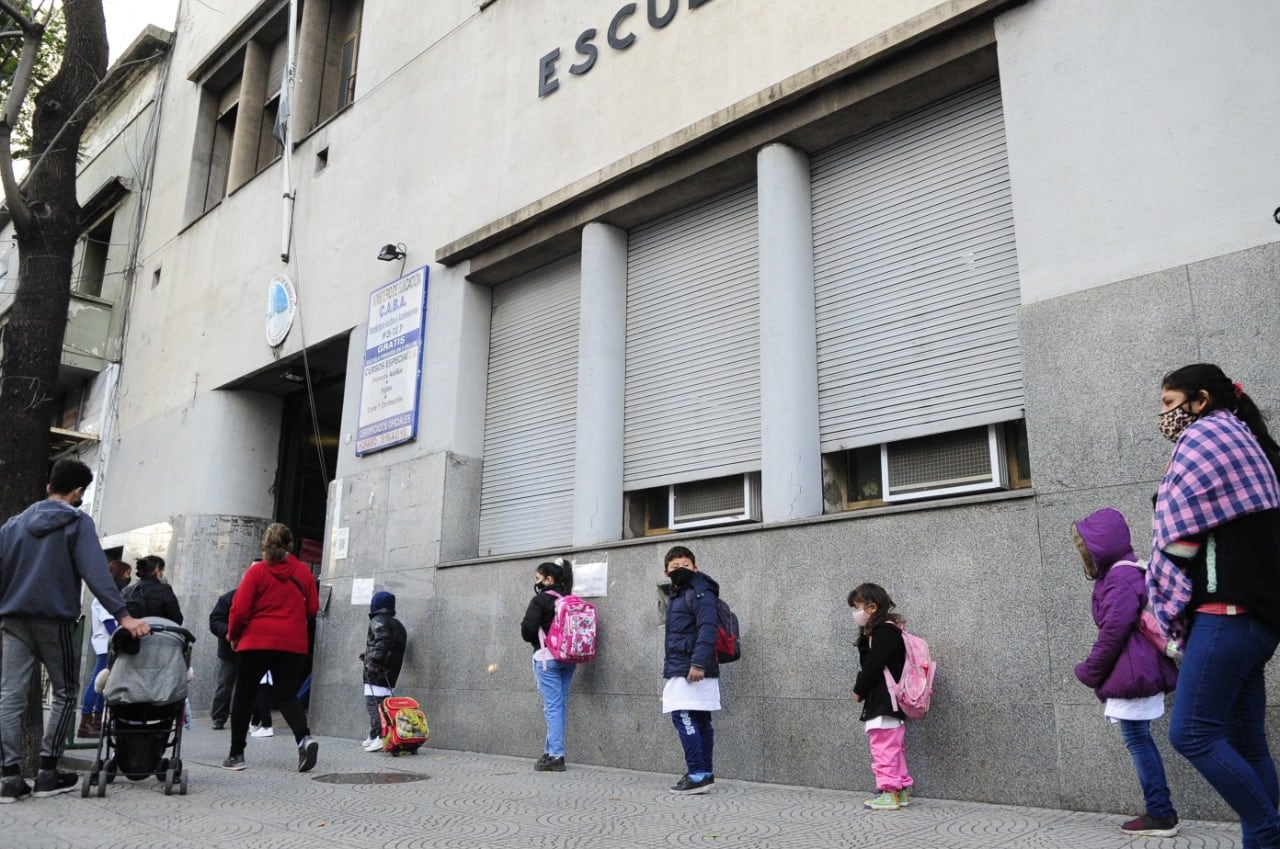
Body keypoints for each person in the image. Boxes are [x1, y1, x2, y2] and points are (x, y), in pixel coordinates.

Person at [1146, 364, 1280, 849]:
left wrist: (1161, 584)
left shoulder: (1207, 439)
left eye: (1168, 403)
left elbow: (1177, 536)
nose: (1163, 416)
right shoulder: (1246, 440)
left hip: (1226, 615)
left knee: (1192, 734)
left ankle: (1268, 832)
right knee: (1247, 744)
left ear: (1199, 399)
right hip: (1256, 621)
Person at [0, 459, 151, 802]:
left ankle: (9, 778)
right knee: (67, 693)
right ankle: (47, 773)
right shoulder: (77, 522)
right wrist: (124, 616)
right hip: (54, 620)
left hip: (13, 620)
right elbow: (96, 573)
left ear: (48, 485)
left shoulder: (13, 526)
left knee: (9, 697)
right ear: (79, 491)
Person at [1071, 508, 1180, 837]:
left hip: (1133, 671)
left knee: (1138, 740)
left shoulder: (1120, 578)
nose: (1083, 555)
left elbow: (1113, 632)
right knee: (1139, 739)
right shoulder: (1124, 572)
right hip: (1136, 668)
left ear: (1101, 547)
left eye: (1085, 548)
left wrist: (1089, 670)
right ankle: (1160, 811)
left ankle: (1161, 813)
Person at [223, 523, 320, 773]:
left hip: (255, 642)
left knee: (244, 695)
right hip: (292, 644)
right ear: (290, 545)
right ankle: (304, 738)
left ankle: (236, 755)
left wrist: (233, 635)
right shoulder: (304, 573)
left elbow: (239, 609)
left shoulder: (256, 573)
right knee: (287, 695)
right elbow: (312, 609)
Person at [662, 546, 723, 795]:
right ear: (666, 571)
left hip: (693, 668)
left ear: (695, 568)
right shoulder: (681, 594)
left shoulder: (700, 591)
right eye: (675, 567)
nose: (680, 570)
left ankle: (697, 773)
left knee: (684, 716)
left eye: (685, 565)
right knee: (699, 719)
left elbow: (708, 628)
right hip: (685, 666)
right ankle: (705, 773)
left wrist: (698, 664)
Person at [848, 582, 913, 811]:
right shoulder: (891, 630)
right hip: (892, 702)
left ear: (872, 607)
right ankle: (900, 791)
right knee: (895, 749)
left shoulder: (884, 632)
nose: (855, 613)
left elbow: (873, 666)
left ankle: (888, 792)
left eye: (858, 607)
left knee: (882, 748)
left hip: (883, 701)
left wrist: (859, 690)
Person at [520, 559, 575, 772]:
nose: (536, 582)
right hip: (569, 659)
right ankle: (550, 750)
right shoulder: (569, 599)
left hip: (546, 659)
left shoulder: (541, 600)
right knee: (558, 705)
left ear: (548, 579)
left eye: (538, 578)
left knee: (552, 707)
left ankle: (556, 755)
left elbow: (527, 631)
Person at [78, 560, 132, 739]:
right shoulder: (104, 596)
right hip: (105, 644)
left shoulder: (113, 595)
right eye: (125, 574)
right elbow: (109, 623)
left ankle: (96, 720)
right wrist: (119, 637)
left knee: (104, 682)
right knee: (98, 681)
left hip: (109, 643)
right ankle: (86, 721)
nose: (128, 578)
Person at [361, 591, 407, 752]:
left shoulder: (378, 620)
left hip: (378, 671)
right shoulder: (397, 624)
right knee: (382, 705)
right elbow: (392, 646)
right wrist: (368, 655)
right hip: (390, 671)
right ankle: (374, 735)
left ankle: (381, 736)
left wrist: (373, 661)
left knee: (374, 705)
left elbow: (382, 642)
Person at [123, 555, 183, 623]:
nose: (162, 573)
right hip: (157, 631)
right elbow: (177, 619)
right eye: (162, 570)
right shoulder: (165, 589)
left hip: (131, 632)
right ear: (157, 570)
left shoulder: (127, 590)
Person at [208, 588, 236, 730]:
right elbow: (215, 621)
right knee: (225, 683)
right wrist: (227, 631)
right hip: (229, 650)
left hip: (251, 648)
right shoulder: (228, 598)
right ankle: (219, 717)